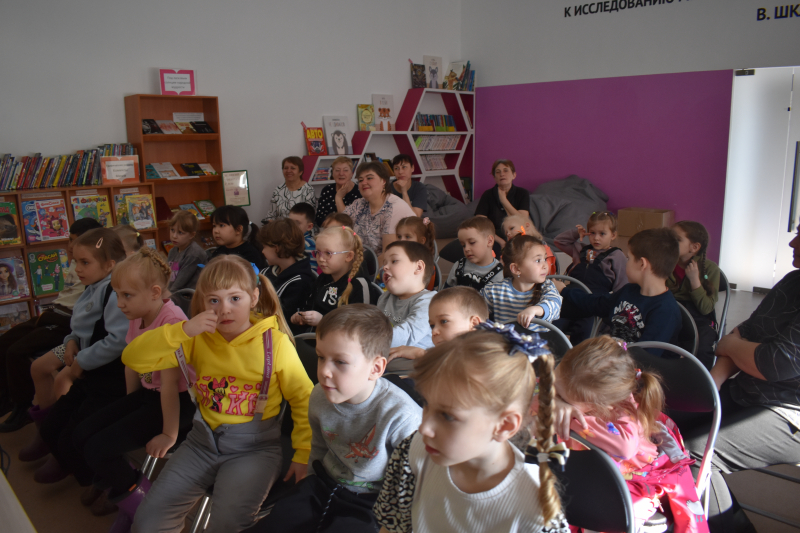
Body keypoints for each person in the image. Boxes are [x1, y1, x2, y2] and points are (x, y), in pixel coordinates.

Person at [123, 255, 314, 533]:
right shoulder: (196, 338)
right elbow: (133, 358)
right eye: (214, 300)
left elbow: (304, 399)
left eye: (235, 298)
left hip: (254, 449)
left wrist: (304, 452)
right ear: (202, 302)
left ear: (254, 297)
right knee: (148, 521)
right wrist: (182, 330)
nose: (224, 309)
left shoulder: (275, 343)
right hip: (200, 443)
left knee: (228, 524)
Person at [373, 325, 569, 533]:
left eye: (447, 416)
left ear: (504, 426)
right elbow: (393, 526)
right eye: (427, 404)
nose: (424, 428)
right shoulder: (413, 450)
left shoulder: (535, 511)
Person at [245, 305, 422, 533]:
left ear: (376, 368)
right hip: (322, 485)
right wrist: (307, 484)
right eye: (321, 357)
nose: (324, 371)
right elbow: (318, 447)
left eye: (340, 362)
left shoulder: (402, 416)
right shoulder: (319, 395)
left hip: (371, 503)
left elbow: (410, 483)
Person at [672, 229, 800, 533]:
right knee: (665, 425)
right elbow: (746, 332)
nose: (792, 242)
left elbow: (776, 363)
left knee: (695, 453)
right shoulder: (793, 281)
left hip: (790, 413)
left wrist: (731, 346)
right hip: (750, 389)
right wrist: (713, 383)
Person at [71, 248, 196, 526]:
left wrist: (169, 434)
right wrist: (128, 406)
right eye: (117, 295)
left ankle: (146, 510)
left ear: (154, 292)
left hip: (177, 403)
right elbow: (131, 364)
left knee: (98, 449)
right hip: (150, 395)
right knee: (81, 433)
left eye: (126, 295)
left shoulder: (171, 322)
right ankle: (115, 482)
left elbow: (169, 385)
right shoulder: (138, 315)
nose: (120, 303)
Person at [548, 336, 709, 533]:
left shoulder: (624, 415)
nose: (553, 394)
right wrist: (556, 402)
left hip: (634, 478)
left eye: (561, 397)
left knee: (600, 518)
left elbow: (625, 449)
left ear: (600, 406)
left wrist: (573, 418)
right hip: (588, 470)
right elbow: (534, 394)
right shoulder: (569, 382)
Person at [33, 229, 129, 484]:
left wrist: (80, 363)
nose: (77, 269)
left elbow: (117, 341)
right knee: (52, 427)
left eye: (85, 262)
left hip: (108, 377)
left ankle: (98, 480)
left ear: (109, 265)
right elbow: (79, 327)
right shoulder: (92, 287)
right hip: (87, 369)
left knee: (72, 435)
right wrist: (71, 342)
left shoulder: (114, 292)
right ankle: (68, 461)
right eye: (76, 261)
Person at [0, 218, 102, 432]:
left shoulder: (96, 266)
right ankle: (7, 399)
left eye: (75, 241)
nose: (70, 246)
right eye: (70, 240)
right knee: (4, 342)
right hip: (53, 313)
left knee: (17, 351)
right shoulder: (76, 260)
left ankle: (22, 407)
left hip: (67, 321)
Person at [560, 228, 681, 356]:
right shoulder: (628, 291)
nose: (626, 263)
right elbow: (595, 303)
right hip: (614, 360)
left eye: (629, 258)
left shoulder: (666, 311)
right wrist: (564, 290)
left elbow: (646, 357)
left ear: (642, 264)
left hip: (635, 366)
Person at [553, 211, 628, 344]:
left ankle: (578, 356)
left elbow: (621, 287)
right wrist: (577, 234)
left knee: (584, 337)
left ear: (613, 235)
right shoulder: (581, 250)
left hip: (592, 308)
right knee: (552, 330)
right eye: (592, 233)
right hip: (569, 301)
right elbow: (559, 241)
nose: (596, 238)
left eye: (602, 234)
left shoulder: (616, 256)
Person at [291, 226, 373, 330]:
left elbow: (360, 326)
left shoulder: (359, 285)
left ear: (348, 256)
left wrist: (323, 321)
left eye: (328, 253)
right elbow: (311, 305)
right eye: (318, 252)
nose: (321, 259)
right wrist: (302, 316)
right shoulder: (323, 278)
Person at [387, 286, 489, 363]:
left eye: (444, 321)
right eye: (432, 326)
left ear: (474, 324)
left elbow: (458, 365)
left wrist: (421, 354)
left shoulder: (488, 356)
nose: (434, 331)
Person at [667, 221, 720, 369]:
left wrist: (695, 280)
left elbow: (706, 308)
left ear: (694, 247)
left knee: (702, 348)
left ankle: (698, 379)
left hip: (698, 319)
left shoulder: (710, 269)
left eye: (677, 240)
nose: (670, 243)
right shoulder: (666, 263)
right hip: (670, 313)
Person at [481, 235, 562, 332]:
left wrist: (535, 310)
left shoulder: (547, 286)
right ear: (516, 269)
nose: (545, 265)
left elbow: (555, 305)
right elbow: (476, 307)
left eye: (545, 259)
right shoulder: (495, 290)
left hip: (538, 340)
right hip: (505, 340)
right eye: (538, 260)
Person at [379, 241, 435, 375]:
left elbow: (409, 333)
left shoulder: (429, 301)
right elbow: (376, 325)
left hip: (416, 369)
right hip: (387, 362)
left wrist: (365, 339)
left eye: (394, 261)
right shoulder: (385, 297)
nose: (385, 267)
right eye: (384, 263)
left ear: (418, 267)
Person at [343, 162, 415, 255]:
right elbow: (340, 225)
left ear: (383, 181)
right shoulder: (359, 203)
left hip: (391, 261)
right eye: (360, 180)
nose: (364, 183)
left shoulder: (394, 207)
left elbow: (388, 254)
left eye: (369, 178)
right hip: (360, 258)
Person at [259, 218, 315, 335]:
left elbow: (283, 320)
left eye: (264, 247)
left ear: (277, 248)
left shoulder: (300, 282)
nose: (262, 251)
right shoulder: (267, 271)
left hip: (279, 334)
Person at [473, 159, 530, 247]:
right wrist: (501, 242)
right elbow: (480, 224)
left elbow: (523, 220)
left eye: (506, 170)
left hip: (517, 234)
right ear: (494, 177)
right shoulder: (488, 195)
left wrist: (504, 200)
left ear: (514, 175)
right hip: (493, 236)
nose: (502, 174)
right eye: (498, 172)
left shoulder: (522, 193)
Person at [445, 216, 504, 291]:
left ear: (489, 241)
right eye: (463, 245)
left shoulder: (501, 273)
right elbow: (445, 293)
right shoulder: (459, 266)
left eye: (472, 242)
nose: (466, 249)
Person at [167, 210, 206, 316]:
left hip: (189, 300)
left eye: (180, 232)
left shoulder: (194, 254)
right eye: (172, 230)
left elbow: (179, 284)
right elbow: (167, 276)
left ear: (192, 235)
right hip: (175, 296)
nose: (174, 236)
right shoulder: (173, 251)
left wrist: (164, 299)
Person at [210, 205, 267, 270]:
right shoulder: (219, 251)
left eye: (222, 225)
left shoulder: (250, 254)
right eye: (214, 226)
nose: (216, 231)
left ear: (238, 229)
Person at [265, 156, 317, 221]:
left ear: (300, 172)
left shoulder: (308, 190)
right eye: (285, 168)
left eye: (293, 168)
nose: (288, 171)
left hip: (300, 226)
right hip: (280, 226)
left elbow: (309, 218)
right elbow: (270, 216)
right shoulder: (278, 190)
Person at [315, 156, 361, 227]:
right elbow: (319, 219)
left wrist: (338, 197)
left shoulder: (359, 191)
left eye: (345, 170)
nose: (341, 173)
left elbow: (348, 223)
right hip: (329, 230)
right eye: (337, 170)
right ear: (332, 174)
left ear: (351, 174)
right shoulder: (327, 190)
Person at [395, 216, 437, 290]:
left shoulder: (423, 262)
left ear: (421, 241)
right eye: (399, 236)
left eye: (407, 237)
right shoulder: (397, 257)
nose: (402, 240)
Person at [288, 202, 318, 271]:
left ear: (309, 226)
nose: (292, 226)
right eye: (290, 222)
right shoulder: (291, 239)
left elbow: (312, 271)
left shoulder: (308, 244)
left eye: (297, 223)